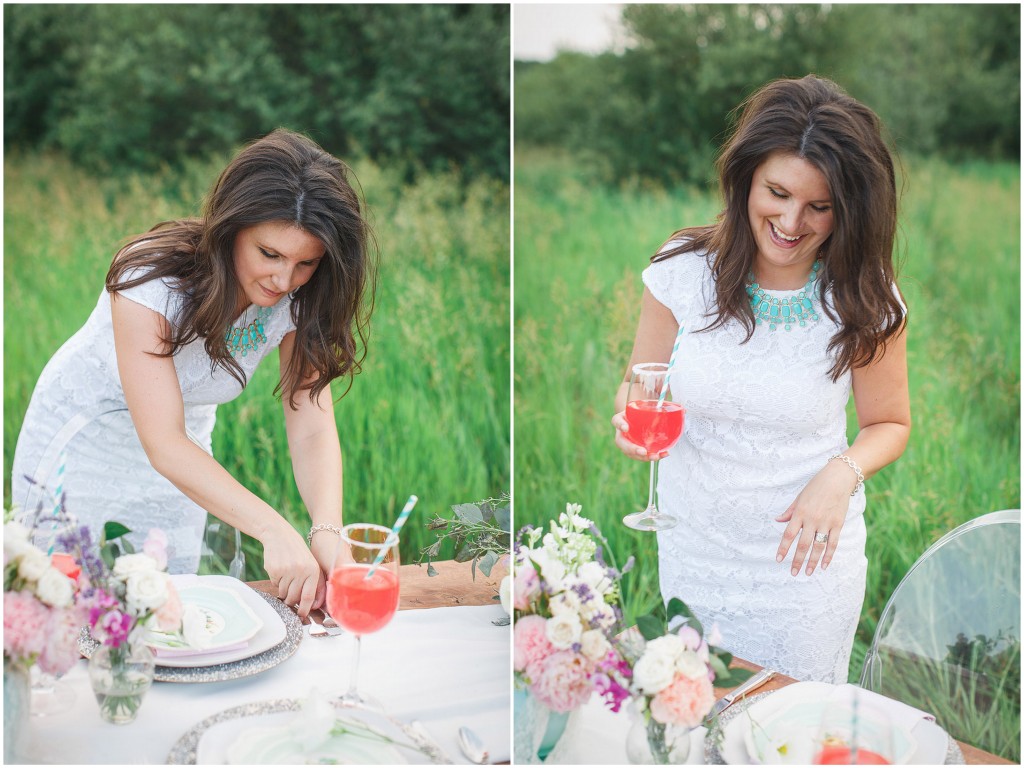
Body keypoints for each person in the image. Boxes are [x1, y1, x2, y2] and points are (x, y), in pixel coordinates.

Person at [611, 75, 911, 683]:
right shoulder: (682, 272)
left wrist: (841, 473)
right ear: (745, 177)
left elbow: (890, 423)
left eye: (819, 206)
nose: (791, 221)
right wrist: (630, 420)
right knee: (695, 714)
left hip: (804, 567)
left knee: (792, 730)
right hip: (695, 553)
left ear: (847, 209)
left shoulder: (863, 299)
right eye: (777, 192)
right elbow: (639, 385)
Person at [11, 128, 376, 618]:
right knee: (73, 613)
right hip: (86, 451)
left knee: (167, 612)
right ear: (231, 227)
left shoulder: (299, 295)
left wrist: (327, 532)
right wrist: (271, 528)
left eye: (305, 262)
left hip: (186, 461)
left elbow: (309, 421)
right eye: (269, 254)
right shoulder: (149, 281)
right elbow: (161, 441)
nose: (284, 280)